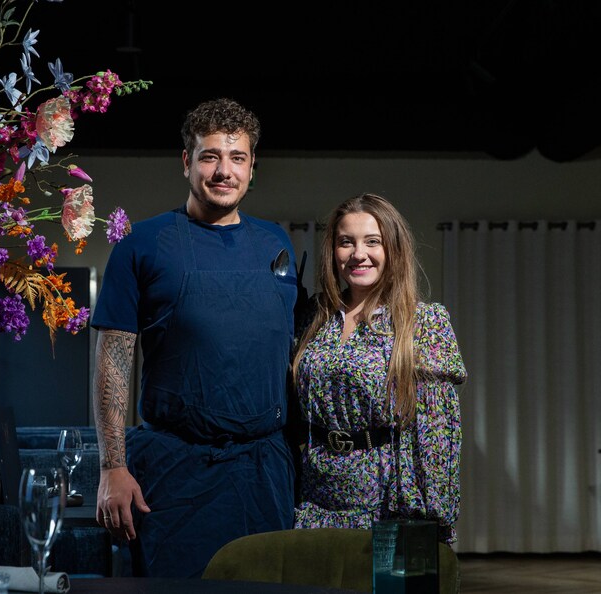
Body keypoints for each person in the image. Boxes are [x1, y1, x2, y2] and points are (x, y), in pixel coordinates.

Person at [90, 98, 298, 577]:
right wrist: (112, 467)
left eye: (237, 158)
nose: (224, 171)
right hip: (176, 472)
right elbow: (112, 362)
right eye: (210, 157)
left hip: (265, 472)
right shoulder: (142, 245)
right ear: (187, 162)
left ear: (252, 167)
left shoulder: (276, 243)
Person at [292, 192, 467, 543]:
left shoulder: (423, 323)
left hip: (386, 505)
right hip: (314, 496)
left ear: (393, 249)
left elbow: (436, 438)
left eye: (373, 241)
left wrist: (428, 521)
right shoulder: (314, 315)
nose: (359, 254)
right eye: (346, 242)